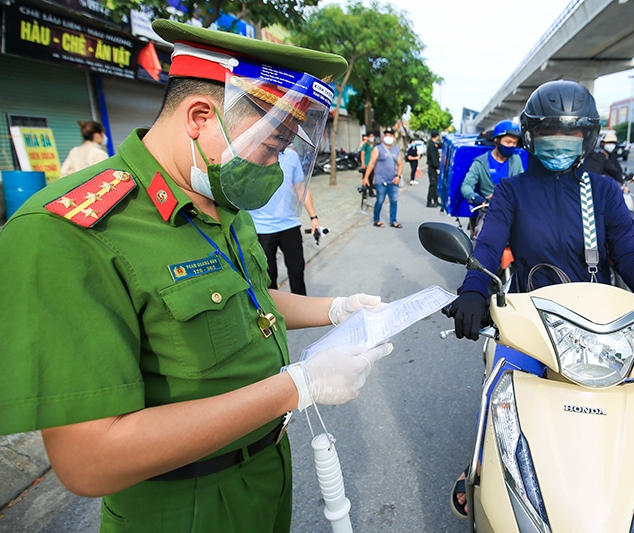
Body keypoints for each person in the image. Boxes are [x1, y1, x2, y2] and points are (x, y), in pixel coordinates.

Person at [0, 20, 393, 533]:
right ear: (200, 117)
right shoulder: (68, 232)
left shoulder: (219, 196)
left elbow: (251, 300)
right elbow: (88, 459)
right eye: (270, 147)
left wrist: (338, 307)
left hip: (266, 474)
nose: (274, 167)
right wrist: (296, 386)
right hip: (182, 507)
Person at [447, 80, 634, 519]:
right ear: (531, 137)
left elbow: (629, 255)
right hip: (530, 322)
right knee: (500, 390)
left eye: (570, 137)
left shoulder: (603, 192)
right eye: (549, 137)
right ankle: (477, 464)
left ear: (586, 139)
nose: (559, 147)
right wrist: (473, 290)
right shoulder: (512, 191)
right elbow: (488, 247)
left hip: (601, 324)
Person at [249, 147, 321, 296]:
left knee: (297, 271)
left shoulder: (291, 155)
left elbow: (300, 188)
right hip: (261, 228)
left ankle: (301, 312)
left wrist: (314, 217)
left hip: (290, 225)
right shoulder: (251, 153)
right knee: (268, 277)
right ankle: (273, 314)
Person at [460, 120, 524, 238]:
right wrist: (474, 196)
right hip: (489, 210)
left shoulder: (516, 160)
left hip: (512, 209)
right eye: (508, 142)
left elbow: (523, 184)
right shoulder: (480, 162)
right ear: (496, 140)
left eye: (514, 143)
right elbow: (466, 185)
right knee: (482, 236)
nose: (512, 146)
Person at [364, 128, 403, 228]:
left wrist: (398, 176)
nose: (388, 137)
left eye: (390, 135)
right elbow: (371, 163)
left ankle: (393, 221)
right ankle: (376, 220)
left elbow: (400, 164)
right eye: (386, 135)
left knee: (394, 201)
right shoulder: (378, 149)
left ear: (394, 138)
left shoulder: (396, 150)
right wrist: (366, 177)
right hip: (381, 181)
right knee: (380, 200)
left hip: (393, 180)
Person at [426, 130, 441, 207]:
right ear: (437, 136)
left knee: (435, 185)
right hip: (432, 167)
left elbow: (439, 145)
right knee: (433, 185)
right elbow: (433, 158)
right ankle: (429, 201)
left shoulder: (433, 144)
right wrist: (438, 166)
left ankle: (435, 200)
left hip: (434, 167)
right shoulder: (431, 145)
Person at [360, 130, 377, 197]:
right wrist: (363, 163)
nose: (371, 138)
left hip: (372, 165)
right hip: (366, 164)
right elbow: (362, 154)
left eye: (372, 136)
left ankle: (370, 192)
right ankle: (364, 192)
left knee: (371, 178)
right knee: (364, 178)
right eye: (370, 136)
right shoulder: (365, 145)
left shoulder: (375, 146)